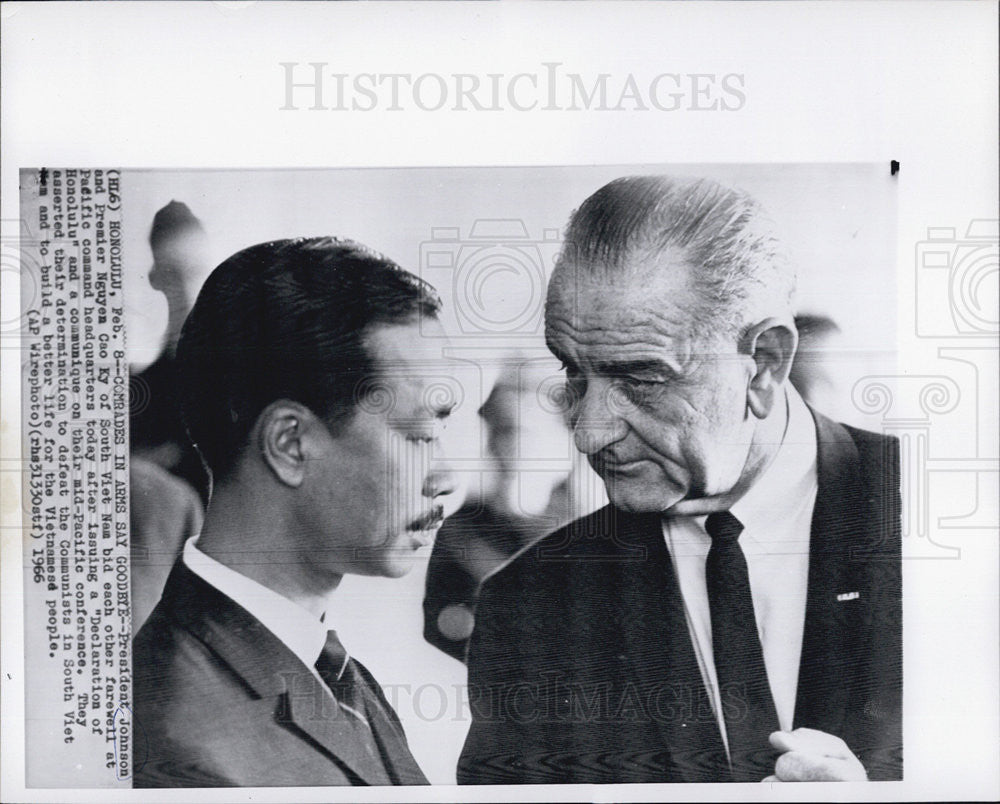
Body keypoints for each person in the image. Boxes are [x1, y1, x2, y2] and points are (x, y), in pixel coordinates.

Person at [458, 176, 901, 784]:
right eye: (574, 372)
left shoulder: (935, 518)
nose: (588, 432)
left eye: (641, 377)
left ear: (765, 364)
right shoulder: (531, 608)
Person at [133, 237, 457, 787]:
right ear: (290, 444)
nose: (447, 477)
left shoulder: (330, 673)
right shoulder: (179, 748)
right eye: (420, 434)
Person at [423, 356, 577, 662]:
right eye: (497, 432)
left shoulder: (592, 544)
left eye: (520, 435)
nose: (504, 451)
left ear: (568, 443)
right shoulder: (453, 533)